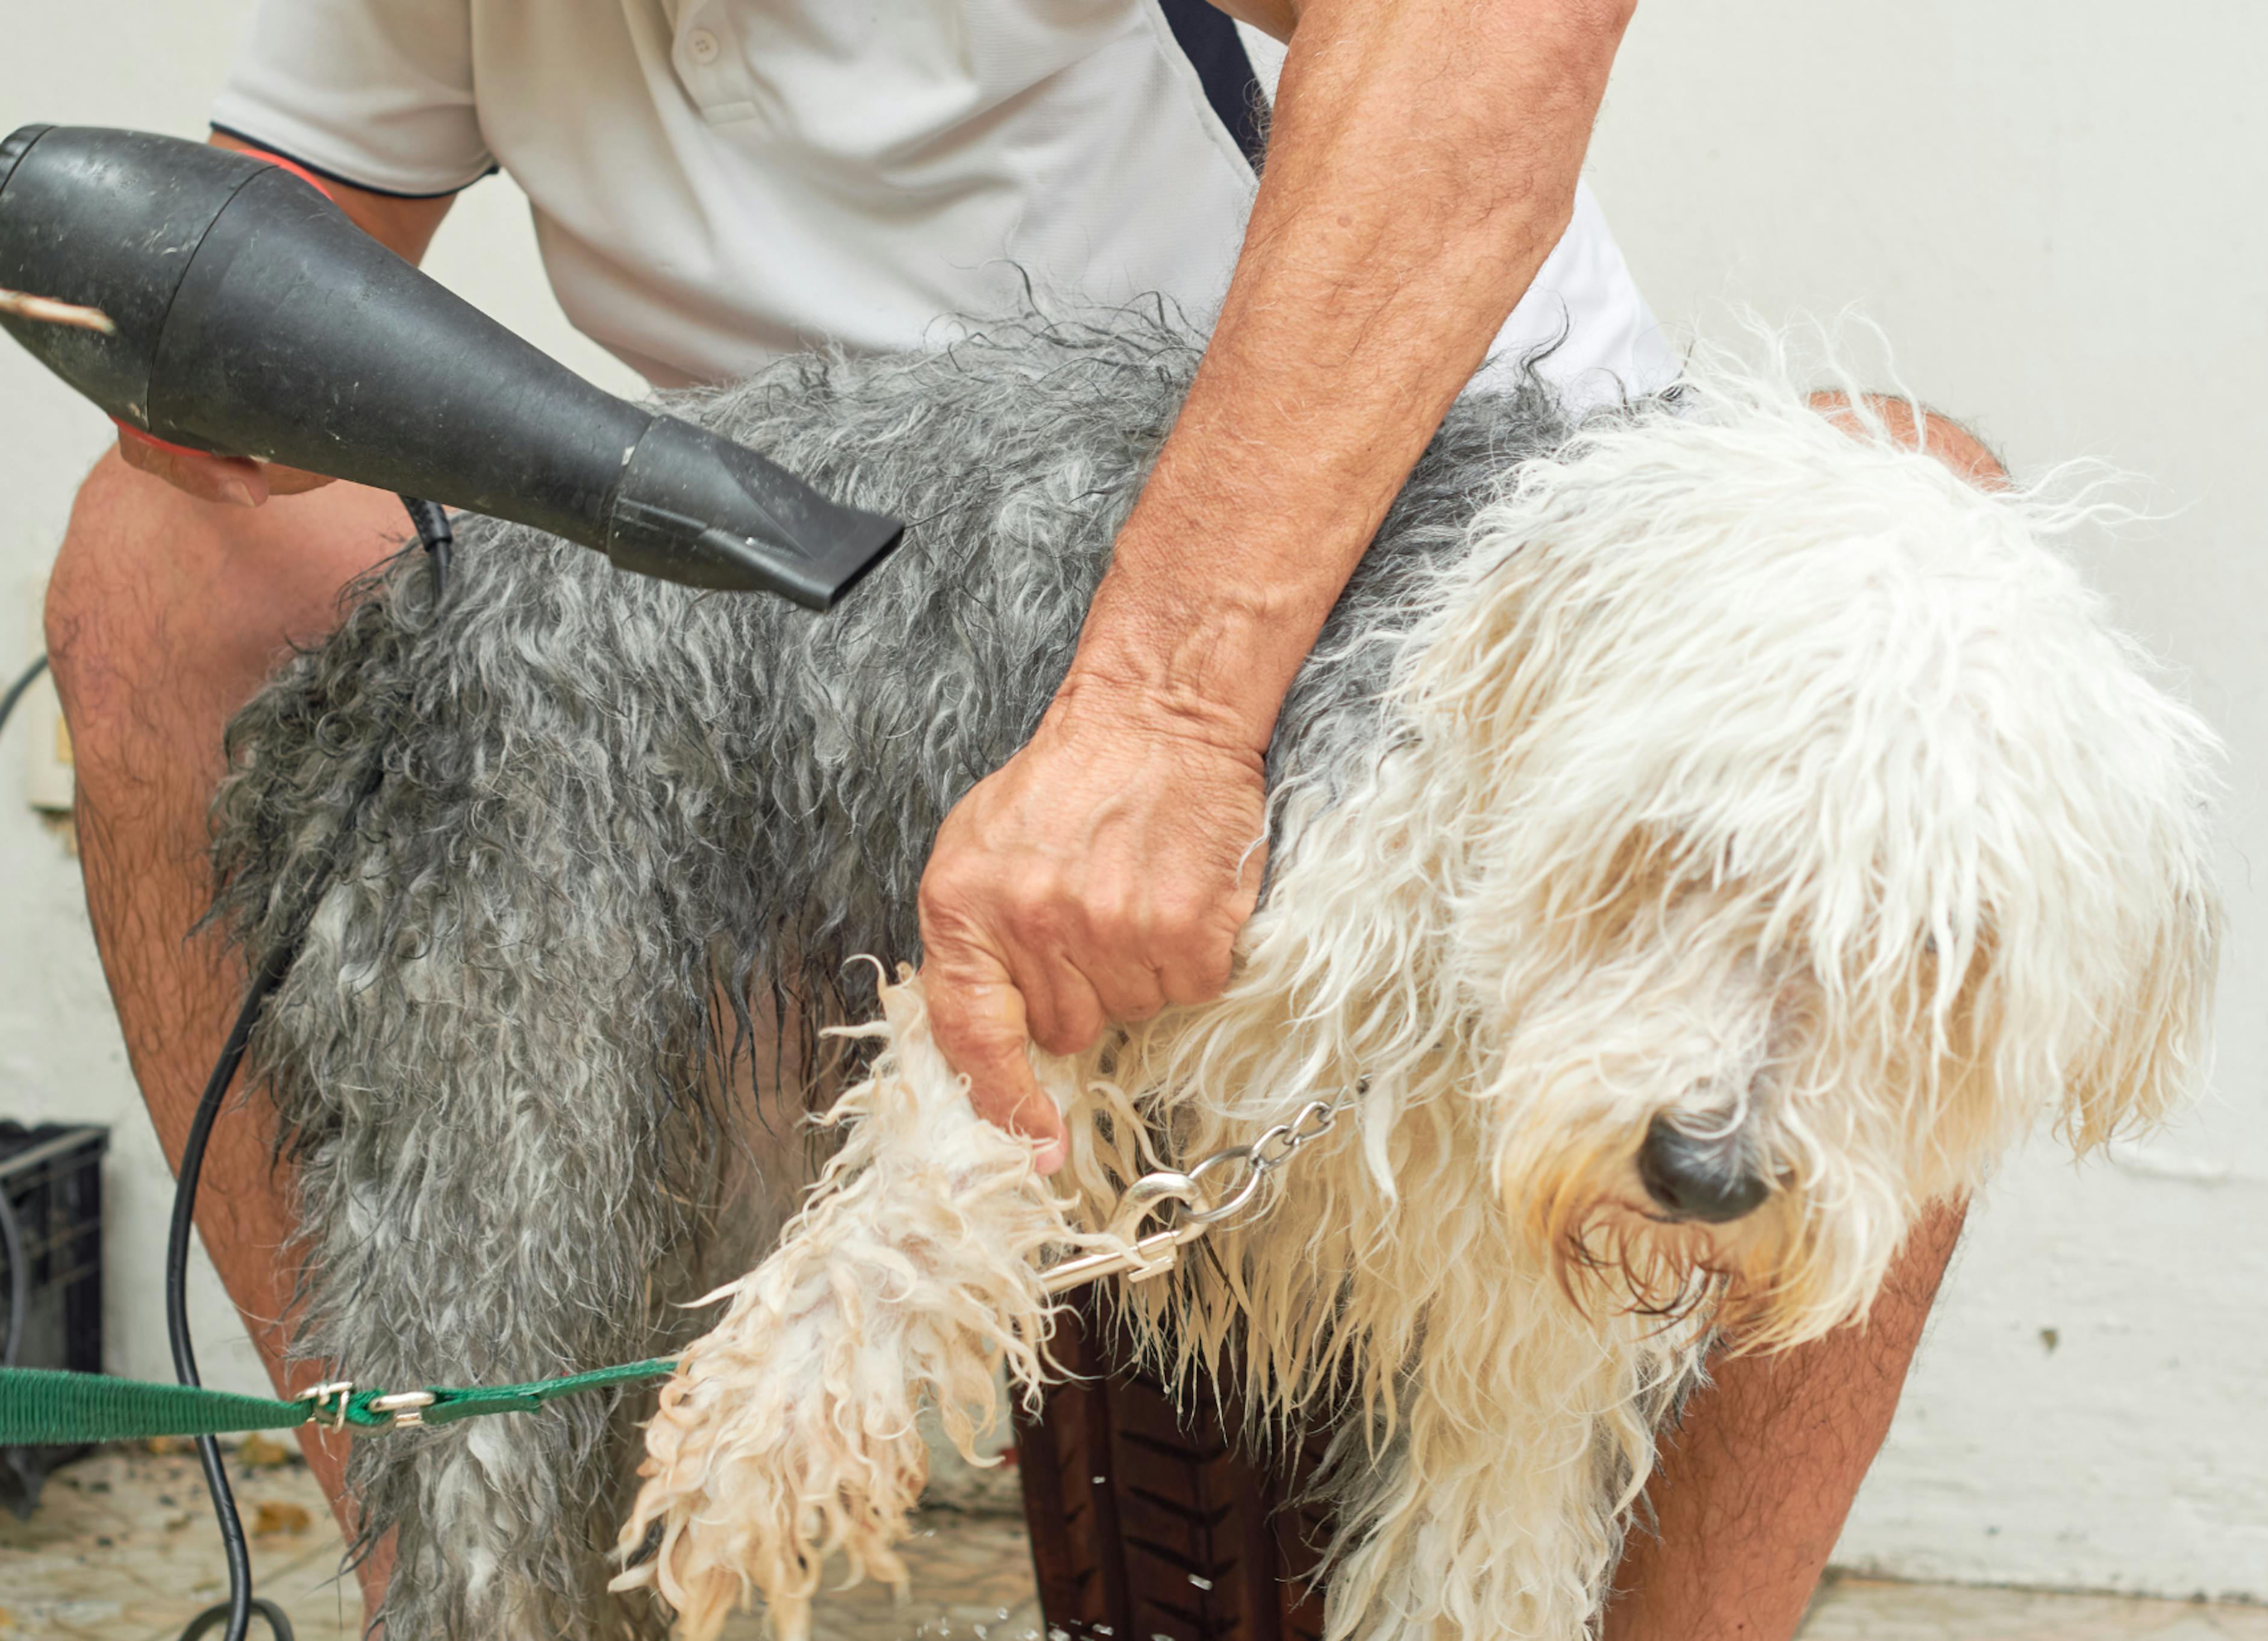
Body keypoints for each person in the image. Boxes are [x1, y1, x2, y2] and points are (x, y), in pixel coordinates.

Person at [42, 0, 1969, 1633]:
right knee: (171, 568)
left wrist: (1168, 711)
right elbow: (291, 252)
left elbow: (1488, 31)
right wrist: (208, 347)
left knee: (1917, 554)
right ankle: (466, 1553)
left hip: (1329, 583)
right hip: (797, 646)